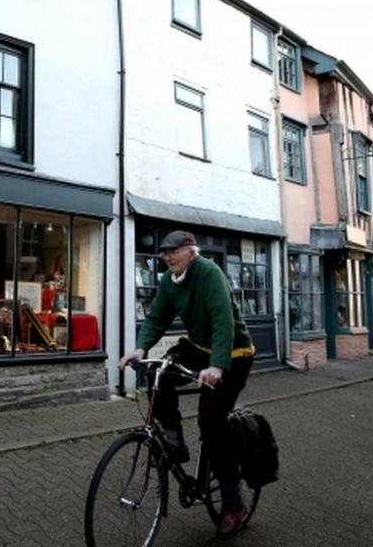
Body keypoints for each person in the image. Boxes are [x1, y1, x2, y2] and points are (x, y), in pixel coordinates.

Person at [119, 230, 256, 537]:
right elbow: (157, 317)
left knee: (211, 423)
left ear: (191, 252)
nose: (167, 256)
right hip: (199, 346)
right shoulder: (169, 280)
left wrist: (218, 366)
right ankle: (175, 443)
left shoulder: (209, 272)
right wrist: (140, 349)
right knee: (161, 372)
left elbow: (223, 320)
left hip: (234, 353)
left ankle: (233, 504)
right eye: (164, 252)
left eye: (174, 251)